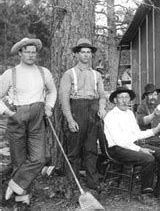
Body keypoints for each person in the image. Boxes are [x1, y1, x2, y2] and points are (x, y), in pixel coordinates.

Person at [0, 37, 57, 206]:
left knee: (39, 158)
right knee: (19, 159)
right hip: (17, 116)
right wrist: (9, 113)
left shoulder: (43, 72)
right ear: (20, 53)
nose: (31, 55)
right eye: (27, 52)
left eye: (34, 52)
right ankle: (22, 199)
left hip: (38, 116)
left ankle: (14, 184)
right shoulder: (10, 73)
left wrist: (49, 107)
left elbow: (52, 91)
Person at [104, 86, 160, 199]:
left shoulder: (130, 114)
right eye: (121, 97)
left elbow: (137, 134)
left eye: (127, 97)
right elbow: (120, 141)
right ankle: (146, 193)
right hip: (117, 149)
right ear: (115, 100)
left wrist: (154, 130)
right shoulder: (111, 117)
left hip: (132, 145)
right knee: (148, 158)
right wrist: (140, 149)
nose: (125, 100)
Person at [59, 38, 107, 191]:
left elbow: (102, 95)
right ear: (77, 55)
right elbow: (64, 98)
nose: (86, 55)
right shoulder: (69, 74)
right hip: (76, 109)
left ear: (91, 55)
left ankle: (92, 183)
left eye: (88, 53)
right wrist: (70, 119)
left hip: (93, 111)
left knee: (91, 149)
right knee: (74, 149)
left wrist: (102, 108)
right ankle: (72, 184)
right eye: (83, 52)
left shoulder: (96, 75)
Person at [136, 83, 160, 149]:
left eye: (155, 95)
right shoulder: (142, 107)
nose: (153, 97)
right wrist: (153, 114)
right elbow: (142, 121)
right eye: (150, 95)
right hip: (149, 136)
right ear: (146, 96)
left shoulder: (159, 107)